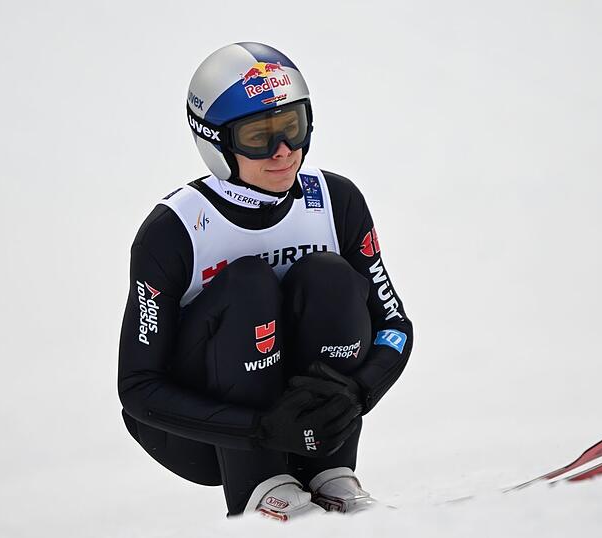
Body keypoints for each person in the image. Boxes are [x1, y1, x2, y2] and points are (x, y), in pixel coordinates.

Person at [117, 42, 413, 520]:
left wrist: (356, 394)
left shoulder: (336, 201)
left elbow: (395, 326)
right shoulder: (174, 231)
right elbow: (137, 389)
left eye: (292, 129)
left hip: (304, 423)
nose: (283, 153)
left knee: (330, 278)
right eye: (259, 137)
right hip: (202, 435)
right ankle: (261, 492)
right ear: (216, 142)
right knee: (248, 285)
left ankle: (329, 474)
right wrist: (257, 429)